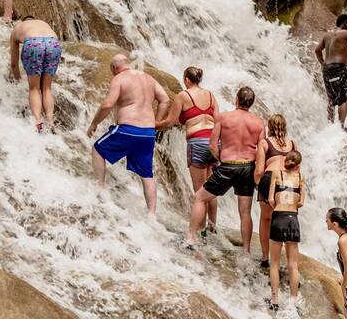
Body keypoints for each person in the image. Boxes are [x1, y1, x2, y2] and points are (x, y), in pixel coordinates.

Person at [88, 53, 171, 217]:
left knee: (98, 149)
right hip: (147, 133)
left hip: (127, 128)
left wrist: (94, 123)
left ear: (114, 67)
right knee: (146, 174)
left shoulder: (119, 78)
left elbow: (107, 104)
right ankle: (152, 214)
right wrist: (156, 122)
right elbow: (166, 100)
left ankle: (100, 190)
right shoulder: (148, 78)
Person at [184, 86, 264, 252]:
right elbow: (261, 150)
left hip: (228, 166)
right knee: (245, 212)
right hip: (248, 167)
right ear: (252, 103)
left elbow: (213, 145)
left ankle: (191, 238)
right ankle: (246, 251)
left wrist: (222, 158)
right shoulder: (258, 122)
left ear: (236, 99)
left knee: (199, 198)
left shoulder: (223, 118)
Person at [158, 67, 220, 233]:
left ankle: (199, 231)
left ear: (186, 80)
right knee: (211, 189)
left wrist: (152, 124)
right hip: (214, 143)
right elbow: (218, 120)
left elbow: (170, 122)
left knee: (200, 192)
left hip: (198, 143)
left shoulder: (183, 96)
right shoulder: (211, 96)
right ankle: (212, 228)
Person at [262, 149, 304, 312]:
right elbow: (301, 203)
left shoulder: (277, 174)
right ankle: (294, 301)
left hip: (278, 217)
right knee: (293, 265)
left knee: (274, 263)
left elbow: (271, 199)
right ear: (298, 165)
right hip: (293, 219)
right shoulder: (301, 177)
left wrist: (278, 207)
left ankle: (274, 300)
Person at [254, 113, 297, 272]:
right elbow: (298, 166)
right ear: (284, 127)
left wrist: (259, 185)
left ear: (269, 128)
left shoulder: (264, 143)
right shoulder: (292, 144)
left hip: (269, 177)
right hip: (287, 181)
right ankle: (288, 261)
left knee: (266, 219)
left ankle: (266, 257)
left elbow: (259, 170)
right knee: (286, 219)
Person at [9, 16, 62, 132]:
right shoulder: (43, 23)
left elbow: (13, 64)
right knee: (47, 88)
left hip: (34, 44)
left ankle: (38, 122)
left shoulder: (18, 28)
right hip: (53, 43)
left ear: (24, 21)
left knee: (34, 89)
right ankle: (50, 121)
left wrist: (17, 80)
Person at [315, 14, 347, 128]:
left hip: (327, 70)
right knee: (343, 99)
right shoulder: (345, 33)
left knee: (331, 99)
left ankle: (330, 126)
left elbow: (317, 50)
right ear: (346, 23)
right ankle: (340, 128)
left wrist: (322, 63)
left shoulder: (327, 35)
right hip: (339, 69)